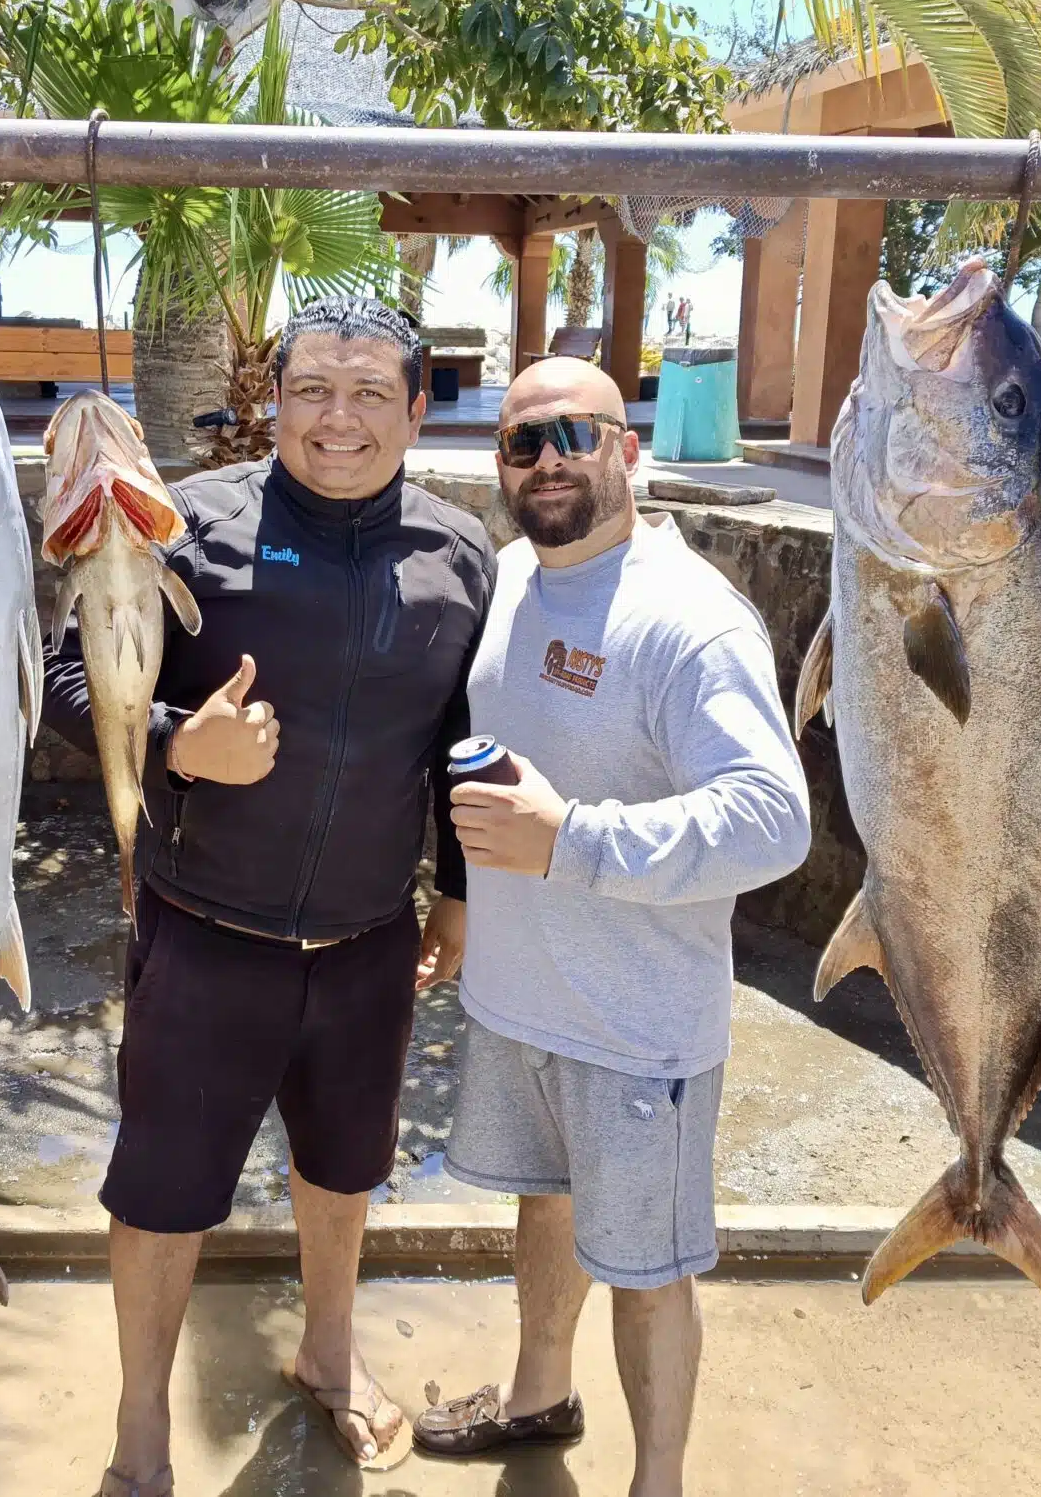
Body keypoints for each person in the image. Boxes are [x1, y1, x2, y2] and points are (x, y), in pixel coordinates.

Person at [42, 296, 494, 1490]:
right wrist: (179, 742)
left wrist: (455, 893)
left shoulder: (459, 553)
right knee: (161, 1187)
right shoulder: (184, 522)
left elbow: (462, 743)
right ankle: (142, 1422)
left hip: (366, 942)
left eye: (369, 393)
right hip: (205, 934)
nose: (337, 418)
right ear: (275, 398)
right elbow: (63, 673)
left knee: (343, 1166)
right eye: (311, 390)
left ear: (416, 409)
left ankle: (329, 1355)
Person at [412, 358, 812, 1496]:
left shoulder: (691, 619)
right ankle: (538, 1395)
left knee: (649, 1268)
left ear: (626, 449)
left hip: (639, 1030)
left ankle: (658, 1481)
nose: (547, 460)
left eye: (574, 434)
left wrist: (571, 840)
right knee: (543, 1204)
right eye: (521, 441)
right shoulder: (506, 580)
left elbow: (773, 820)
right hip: (519, 1002)